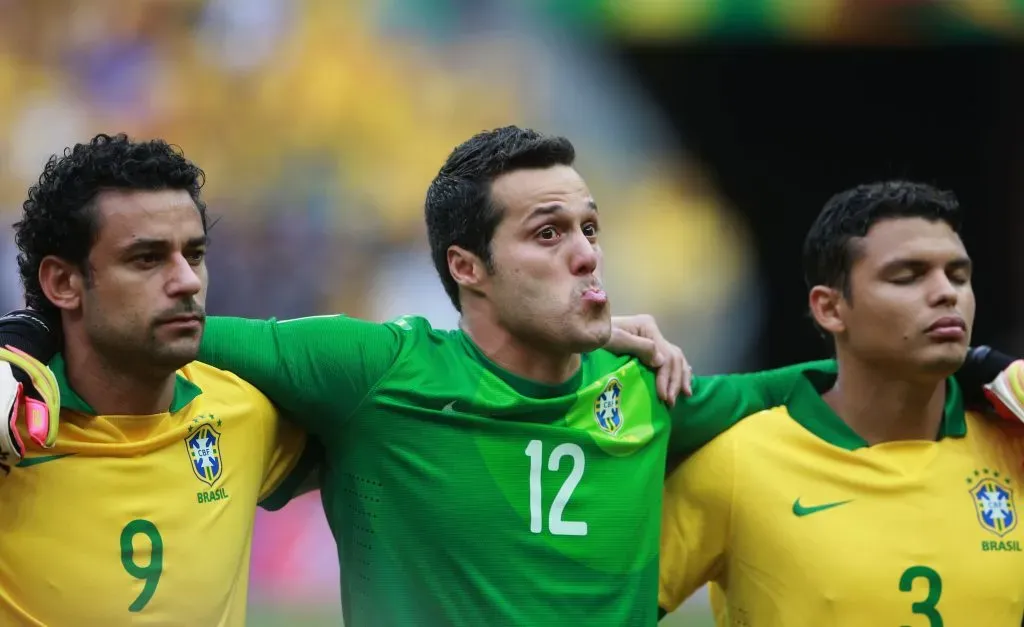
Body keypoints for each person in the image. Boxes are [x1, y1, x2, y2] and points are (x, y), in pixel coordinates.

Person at [1, 131, 1016, 625]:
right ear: (466, 270)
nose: (583, 252)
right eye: (546, 232)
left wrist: (981, 365)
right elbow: (147, 328)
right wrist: (21, 345)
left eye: (589, 228)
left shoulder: (651, 399)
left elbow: (827, 382)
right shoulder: (371, 373)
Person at [658, 180, 1024, 626]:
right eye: (907, 276)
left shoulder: (1010, 444)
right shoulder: (738, 463)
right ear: (830, 309)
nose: (946, 293)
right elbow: (604, 608)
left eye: (958, 276)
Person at [0, 134, 320, 625]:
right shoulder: (13, 428)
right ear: (64, 283)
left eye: (193, 255)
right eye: (146, 259)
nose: (188, 281)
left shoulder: (247, 414)